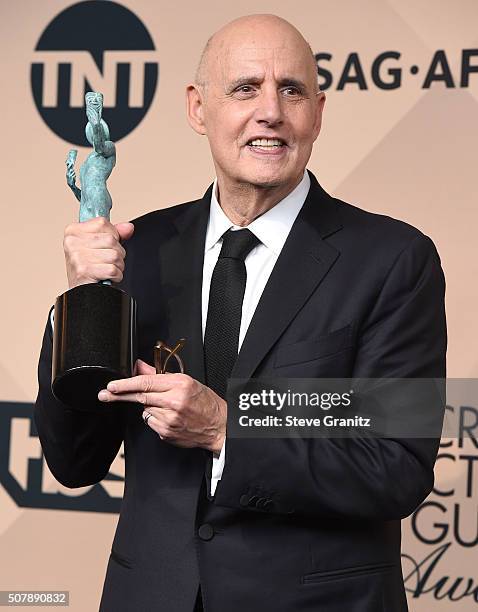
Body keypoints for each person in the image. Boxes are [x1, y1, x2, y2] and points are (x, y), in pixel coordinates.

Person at [34, 14, 446, 612]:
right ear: (199, 109)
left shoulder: (392, 260)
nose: (271, 111)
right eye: (246, 88)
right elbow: (74, 462)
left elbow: (397, 468)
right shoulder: (137, 253)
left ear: (319, 112)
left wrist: (229, 431)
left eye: (293, 90)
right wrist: (83, 301)